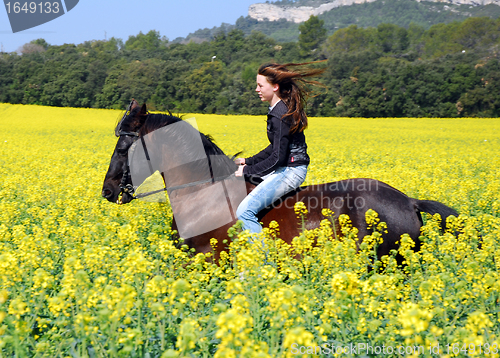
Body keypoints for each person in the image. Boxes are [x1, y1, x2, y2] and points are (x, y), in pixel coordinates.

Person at [234, 62, 325, 234]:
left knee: (244, 212)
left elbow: (277, 158)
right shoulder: (280, 109)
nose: (256, 89)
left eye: (260, 85)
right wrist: (248, 161)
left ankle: (263, 259)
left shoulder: (280, 114)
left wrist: (247, 171)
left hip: (290, 171)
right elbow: (275, 147)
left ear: (275, 87)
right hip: (287, 167)